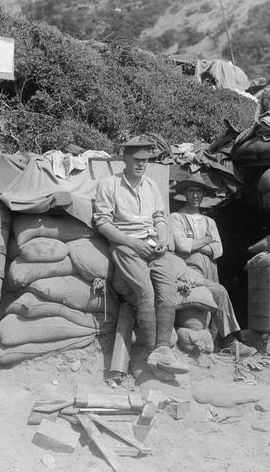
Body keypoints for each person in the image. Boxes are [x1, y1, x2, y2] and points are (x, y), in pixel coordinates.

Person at [93, 136, 189, 375]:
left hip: (153, 245)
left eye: (145, 160)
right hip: (125, 245)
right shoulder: (109, 185)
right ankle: (150, 351)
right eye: (136, 160)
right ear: (124, 158)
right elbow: (102, 224)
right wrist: (132, 243)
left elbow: (159, 217)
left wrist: (164, 238)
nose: (141, 165)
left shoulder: (152, 186)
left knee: (168, 290)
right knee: (145, 291)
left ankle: (163, 350)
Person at [169, 174, 255, 357]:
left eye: (199, 191)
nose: (195, 195)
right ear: (184, 192)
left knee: (215, 297)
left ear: (203, 194)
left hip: (210, 271)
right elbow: (182, 246)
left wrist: (194, 244)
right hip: (188, 274)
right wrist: (207, 240)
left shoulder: (209, 222)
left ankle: (218, 342)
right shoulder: (175, 218)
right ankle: (229, 341)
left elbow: (219, 249)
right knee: (220, 292)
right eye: (191, 190)